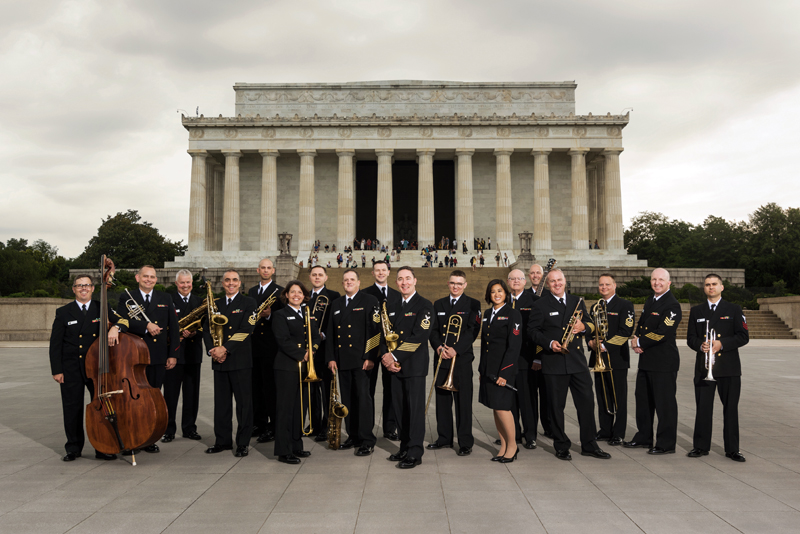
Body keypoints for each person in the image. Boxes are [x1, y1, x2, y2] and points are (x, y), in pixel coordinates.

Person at [529, 269, 610, 461]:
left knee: (587, 404)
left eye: (559, 280)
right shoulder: (540, 304)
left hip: (577, 362)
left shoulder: (578, 301)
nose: (556, 284)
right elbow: (532, 331)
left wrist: (583, 327)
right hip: (554, 362)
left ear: (565, 282)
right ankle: (561, 445)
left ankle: (589, 445)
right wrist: (549, 343)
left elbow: (591, 325)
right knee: (556, 407)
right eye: (552, 281)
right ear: (548, 284)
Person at [50, 275, 127, 462]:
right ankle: (73, 447)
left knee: (101, 408)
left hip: (97, 368)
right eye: (79, 286)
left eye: (87, 285)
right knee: (72, 409)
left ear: (93, 288)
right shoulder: (63, 312)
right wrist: (57, 370)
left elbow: (124, 321)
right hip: (71, 369)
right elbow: (55, 344)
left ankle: (103, 447)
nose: (83, 288)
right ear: (74, 289)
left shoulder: (102, 307)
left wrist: (115, 328)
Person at [686, 274, 749, 462]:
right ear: (704, 288)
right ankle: (700, 446)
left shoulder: (734, 309)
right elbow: (690, 338)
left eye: (714, 284)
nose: (711, 287)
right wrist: (700, 345)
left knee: (730, 409)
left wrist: (721, 344)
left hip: (728, 368)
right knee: (703, 408)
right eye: (707, 285)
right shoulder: (696, 310)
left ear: (722, 287)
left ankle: (732, 449)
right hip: (705, 368)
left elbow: (743, 336)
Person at [625, 268, 682, 454]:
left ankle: (666, 443)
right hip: (646, 360)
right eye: (653, 279)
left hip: (663, 362)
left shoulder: (672, 305)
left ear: (669, 283)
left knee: (664, 404)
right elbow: (642, 325)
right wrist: (637, 339)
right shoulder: (651, 300)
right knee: (643, 401)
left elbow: (662, 332)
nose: (656, 283)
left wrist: (639, 341)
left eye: (661, 280)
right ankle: (644, 437)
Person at [381, 267, 434, 469]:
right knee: (400, 409)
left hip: (414, 367)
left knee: (414, 410)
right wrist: (387, 359)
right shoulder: (391, 304)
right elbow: (384, 333)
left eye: (408, 279)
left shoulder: (424, 305)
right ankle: (403, 447)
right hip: (394, 367)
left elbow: (419, 336)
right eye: (400, 279)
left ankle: (415, 451)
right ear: (396, 283)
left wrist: (394, 356)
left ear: (415, 281)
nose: (404, 282)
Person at [326, 269, 381, 456]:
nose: (348, 282)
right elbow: (331, 333)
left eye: (352, 279)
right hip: (343, 360)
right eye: (345, 280)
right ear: (342, 284)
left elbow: (375, 331)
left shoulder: (369, 301)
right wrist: (331, 357)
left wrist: (370, 356)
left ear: (359, 282)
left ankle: (367, 439)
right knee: (348, 399)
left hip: (362, 360)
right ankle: (353, 435)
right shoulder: (336, 304)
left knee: (363, 399)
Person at [428, 270, 482, 456]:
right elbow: (433, 330)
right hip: (442, 358)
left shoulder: (473, 304)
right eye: (453, 283)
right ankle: (444, 438)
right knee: (442, 402)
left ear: (465, 285)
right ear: (448, 283)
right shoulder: (439, 304)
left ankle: (465, 442)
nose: (456, 286)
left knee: (463, 403)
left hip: (461, 360)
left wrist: (456, 349)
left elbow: (472, 331)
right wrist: (438, 347)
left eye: (459, 283)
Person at [203, 270, 257, 457]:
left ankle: (243, 443)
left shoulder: (249, 302)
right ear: (222, 283)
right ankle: (222, 441)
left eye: (234, 280)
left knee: (244, 405)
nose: (231, 283)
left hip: (240, 360)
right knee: (222, 405)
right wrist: (212, 350)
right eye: (227, 280)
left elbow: (247, 329)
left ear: (240, 283)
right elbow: (206, 329)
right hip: (219, 361)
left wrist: (224, 349)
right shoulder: (215, 304)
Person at [271, 281, 321, 464]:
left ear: (304, 295)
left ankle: (296, 445)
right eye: (292, 292)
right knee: (285, 409)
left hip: (305, 366)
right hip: (287, 366)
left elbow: (316, 336)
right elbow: (282, 340)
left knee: (300, 408)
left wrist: (313, 350)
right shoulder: (280, 315)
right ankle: (284, 450)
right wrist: (303, 354)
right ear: (286, 295)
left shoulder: (309, 314)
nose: (296, 295)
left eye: (299, 292)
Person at [587, 273, 635, 446]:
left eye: (607, 284)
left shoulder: (625, 305)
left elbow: (626, 331)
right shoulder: (595, 306)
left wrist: (605, 346)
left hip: (616, 359)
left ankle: (619, 432)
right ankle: (605, 430)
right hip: (598, 358)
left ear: (615, 285)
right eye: (601, 285)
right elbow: (590, 329)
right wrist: (591, 342)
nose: (604, 287)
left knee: (618, 397)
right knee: (602, 396)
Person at [479, 279, 521, 463]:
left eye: (500, 291)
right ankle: (503, 445)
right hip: (489, 369)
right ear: (489, 295)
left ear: (506, 293)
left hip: (504, 369)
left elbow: (514, 346)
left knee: (503, 408)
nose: (496, 294)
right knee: (495, 408)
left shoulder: (513, 314)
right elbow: (484, 344)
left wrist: (505, 373)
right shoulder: (488, 313)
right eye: (493, 292)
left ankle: (513, 445)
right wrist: (482, 370)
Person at [162, 270, 204, 443]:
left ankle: (189, 428)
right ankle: (168, 429)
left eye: (188, 282)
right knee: (170, 395)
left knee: (191, 394)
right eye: (182, 283)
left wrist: (194, 333)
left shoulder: (199, 302)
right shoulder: (167, 300)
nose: (185, 286)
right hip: (174, 354)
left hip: (193, 355)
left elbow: (205, 327)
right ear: (176, 283)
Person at [247, 258, 284, 444]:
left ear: (273, 270)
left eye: (269, 268)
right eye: (263, 268)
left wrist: (270, 316)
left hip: (271, 347)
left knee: (270, 388)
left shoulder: (280, 291)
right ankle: (258, 423)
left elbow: (285, 317)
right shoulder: (252, 292)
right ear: (258, 270)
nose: (266, 270)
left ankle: (273, 425)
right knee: (256, 387)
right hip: (254, 346)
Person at [363, 261, 401, 441]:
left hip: (390, 350)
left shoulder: (397, 295)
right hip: (371, 349)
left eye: (383, 270)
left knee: (391, 389)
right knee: (367, 390)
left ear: (388, 272)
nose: (380, 273)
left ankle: (389, 427)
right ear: (372, 273)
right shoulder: (364, 294)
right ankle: (366, 427)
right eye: (377, 270)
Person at [506, 270, 540, 449]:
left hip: (526, 358)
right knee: (509, 399)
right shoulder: (502, 301)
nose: (516, 281)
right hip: (507, 360)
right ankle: (514, 434)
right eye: (512, 279)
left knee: (527, 399)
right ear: (508, 281)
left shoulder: (534, 302)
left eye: (519, 278)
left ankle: (530, 434)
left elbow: (539, 332)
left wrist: (538, 358)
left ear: (525, 281)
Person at [308, 266, 341, 442]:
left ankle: (327, 423)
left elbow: (335, 322)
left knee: (326, 389)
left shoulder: (334, 296)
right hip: (308, 352)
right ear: (310, 277)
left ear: (326, 277)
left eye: (320, 275)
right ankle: (314, 423)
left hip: (325, 349)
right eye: (314, 275)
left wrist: (323, 335)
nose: (317, 277)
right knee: (311, 389)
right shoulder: (304, 296)